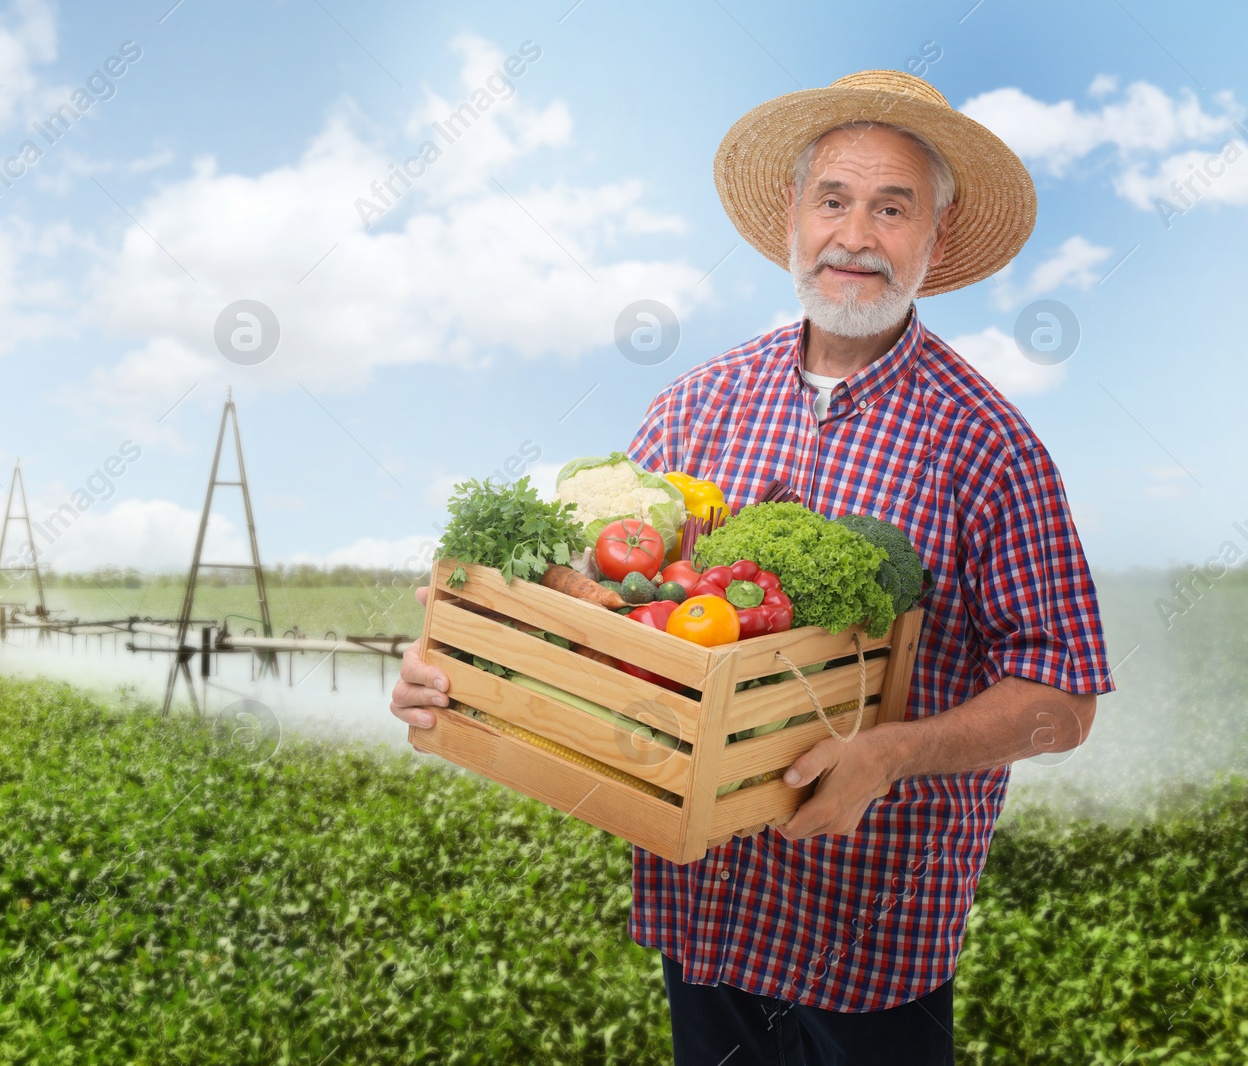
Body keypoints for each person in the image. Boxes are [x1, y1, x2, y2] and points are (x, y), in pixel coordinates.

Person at [390, 70, 1111, 1065]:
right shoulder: (695, 407)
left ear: (935, 240)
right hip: (706, 916)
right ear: (791, 218)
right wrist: (465, 672)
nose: (854, 235)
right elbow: (606, 629)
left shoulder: (988, 447)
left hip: (871, 942)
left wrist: (891, 753)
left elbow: (1064, 699)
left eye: (891, 208)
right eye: (833, 199)